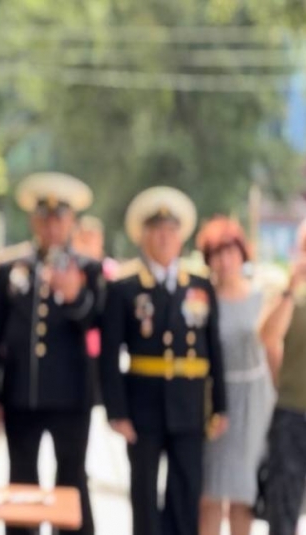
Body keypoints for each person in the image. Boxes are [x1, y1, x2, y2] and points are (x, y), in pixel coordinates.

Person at [0, 172, 104, 535]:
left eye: (60, 218)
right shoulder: (11, 269)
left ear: (71, 223)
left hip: (72, 397)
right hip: (22, 394)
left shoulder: (89, 269)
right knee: (22, 482)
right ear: (34, 221)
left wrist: (74, 298)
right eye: (45, 218)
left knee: (72, 479)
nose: (52, 226)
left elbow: (97, 330)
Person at [100, 186, 228, 535]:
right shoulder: (125, 287)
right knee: (143, 494)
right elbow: (109, 356)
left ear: (181, 236)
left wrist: (221, 406)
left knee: (185, 493)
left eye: (171, 230)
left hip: (189, 405)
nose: (164, 237)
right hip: (144, 406)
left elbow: (213, 349)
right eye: (157, 230)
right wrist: (117, 412)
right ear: (143, 236)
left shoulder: (199, 285)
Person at [195, 217, 275, 535]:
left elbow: (273, 348)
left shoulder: (262, 297)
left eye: (230, 252)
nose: (224, 260)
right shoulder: (203, 300)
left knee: (244, 495)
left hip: (255, 400)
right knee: (210, 493)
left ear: (242, 254)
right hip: (216, 400)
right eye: (216, 254)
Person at [257, 219, 306, 535]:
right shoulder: (286, 291)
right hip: (291, 414)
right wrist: (291, 286)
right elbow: (267, 337)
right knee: (283, 511)